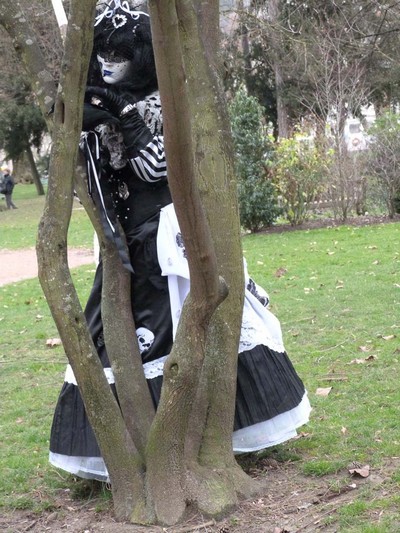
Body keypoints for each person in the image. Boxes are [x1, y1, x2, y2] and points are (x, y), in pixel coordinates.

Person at [49, 0, 311, 482]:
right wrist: (87, 122)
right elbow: (77, 183)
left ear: (142, 55)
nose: (108, 62)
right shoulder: (97, 102)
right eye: (102, 53)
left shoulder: (161, 101)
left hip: (169, 241)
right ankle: (129, 445)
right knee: (115, 333)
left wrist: (125, 117)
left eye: (120, 53)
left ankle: (211, 437)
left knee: (184, 326)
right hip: (121, 244)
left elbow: (156, 169)